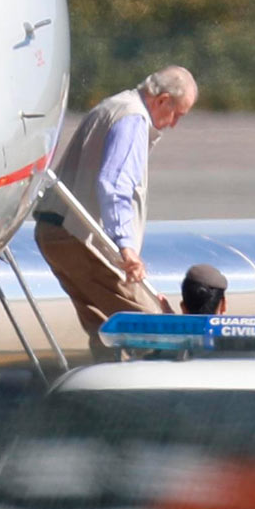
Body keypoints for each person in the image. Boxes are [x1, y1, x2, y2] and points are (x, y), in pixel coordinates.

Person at [33, 65, 197, 358]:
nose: (174, 124)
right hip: (79, 236)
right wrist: (127, 247)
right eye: (177, 114)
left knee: (106, 329)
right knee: (155, 329)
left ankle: (103, 392)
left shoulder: (113, 106)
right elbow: (115, 185)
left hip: (55, 232)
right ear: (161, 101)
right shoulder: (132, 118)